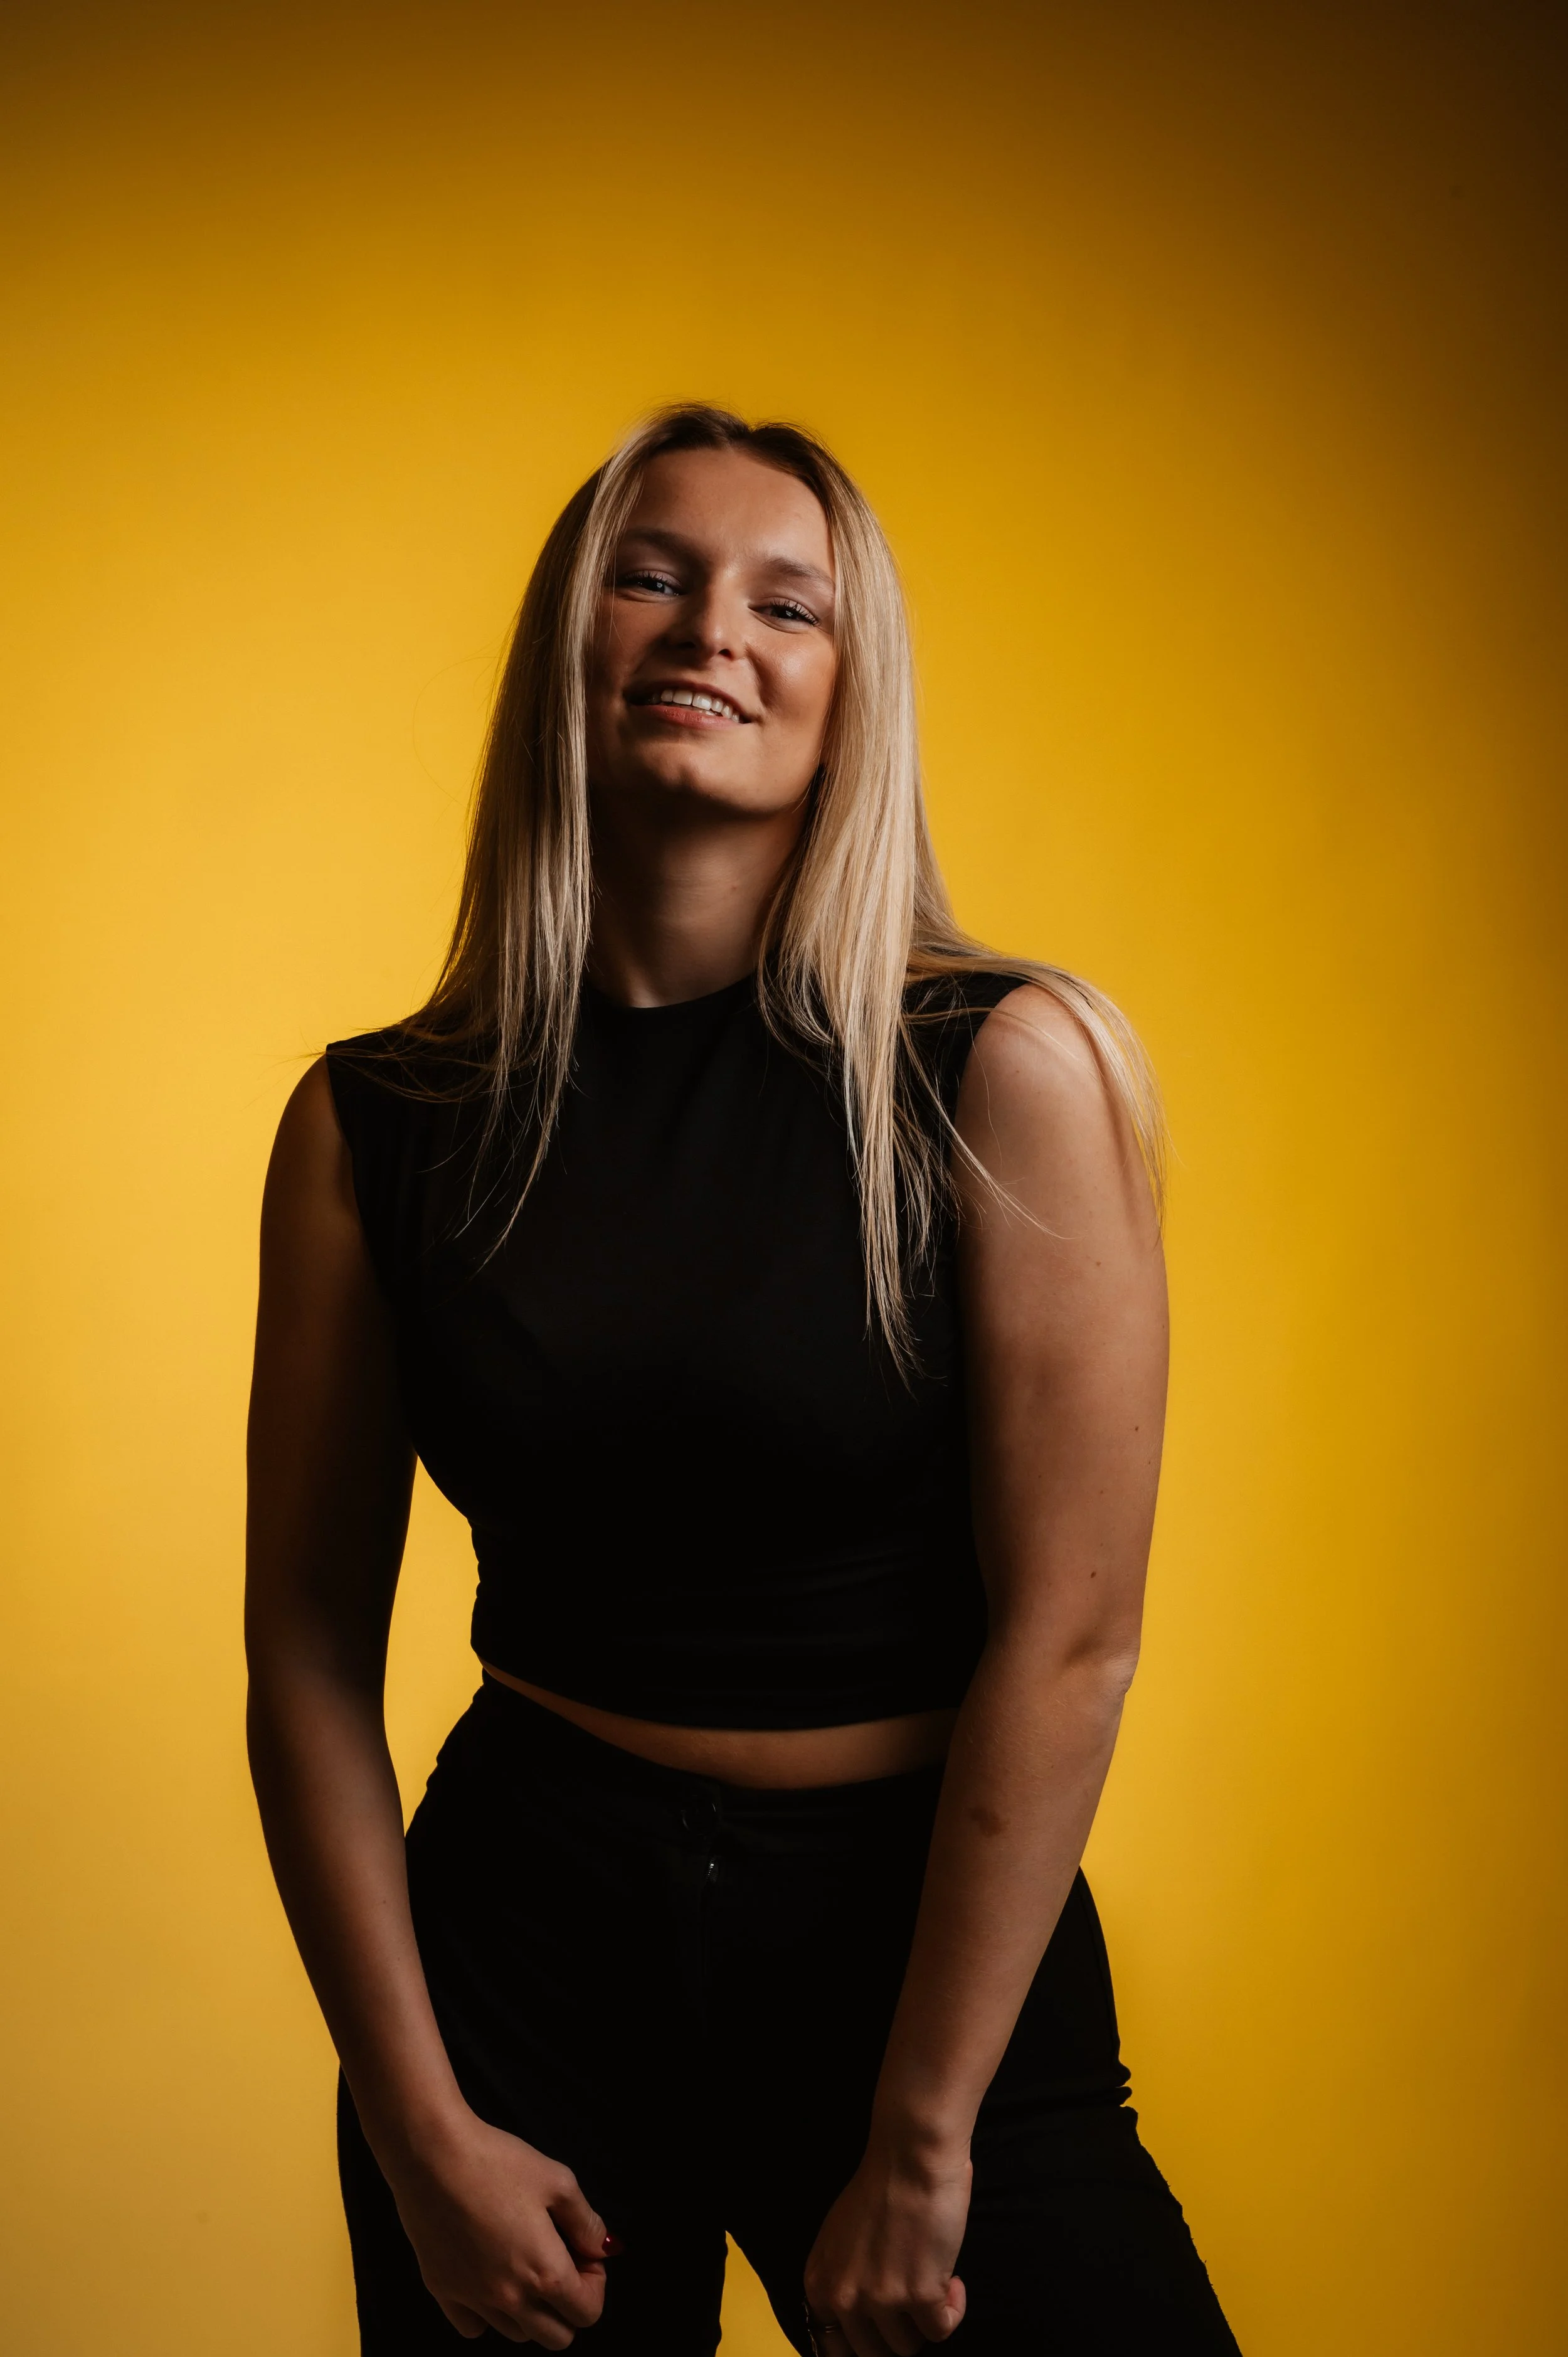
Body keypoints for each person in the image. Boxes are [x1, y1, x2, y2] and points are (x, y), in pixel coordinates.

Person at [245, 403, 1240, 2356]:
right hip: (520, 1945)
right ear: (570, 646)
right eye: (651, 573)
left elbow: (1072, 1634)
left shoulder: (1004, 1070)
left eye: (790, 602)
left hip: (917, 1942)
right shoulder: (381, 1120)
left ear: (848, 694)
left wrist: (925, 2130)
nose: (715, 628)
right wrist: (421, 2122)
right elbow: (300, 1651)